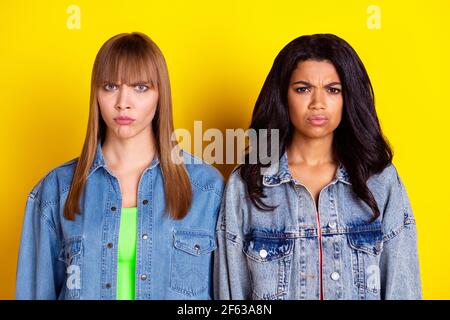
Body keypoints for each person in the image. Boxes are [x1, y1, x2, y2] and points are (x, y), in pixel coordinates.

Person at [16, 32, 223, 300]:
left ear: (161, 94)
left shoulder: (207, 189)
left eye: (140, 87)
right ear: (96, 94)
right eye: (110, 87)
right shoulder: (55, 191)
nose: (123, 102)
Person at [214, 34, 421, 300]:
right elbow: (230, 294)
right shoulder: (247, 184)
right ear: (283, 96)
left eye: (333, 90)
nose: (318, 103)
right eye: (303, 89)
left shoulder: (381, 181)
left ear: (348, 98)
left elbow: (403, 290)